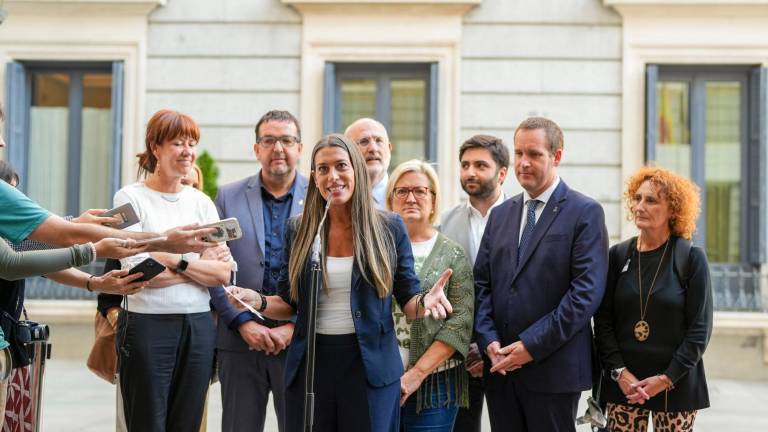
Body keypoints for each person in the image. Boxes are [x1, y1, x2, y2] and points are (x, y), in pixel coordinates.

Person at [227, 133, 453, 432]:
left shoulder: (388, 227)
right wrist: (257, 301)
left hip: (369, 368)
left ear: (356, 170)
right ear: (314, 177)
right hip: (312, 366)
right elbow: (290, 303)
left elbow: (408, 300)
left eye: (341, 166)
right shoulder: (300, 228)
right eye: (323, 169)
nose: (333, 176)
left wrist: (426, 303)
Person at [473, 117, 609, 431]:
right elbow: (482, 284)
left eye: (533, 154)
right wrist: (488, 339)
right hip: (501, 369)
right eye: (518, 154)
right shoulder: (500, 215)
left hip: (553, 371)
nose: (523, 162)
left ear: (556, 156)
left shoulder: (584, 212)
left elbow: (585, 294)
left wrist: (530, 347)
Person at [115, 109, 233, 432]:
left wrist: (173, 259)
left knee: (188, 423)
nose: (188, 152)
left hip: (197, 326)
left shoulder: (201, 203)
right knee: (147, 423)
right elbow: (138, 274)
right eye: (178, 143)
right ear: (155, 147)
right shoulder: (129, 198)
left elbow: (222, 275)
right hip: (146, 326)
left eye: (191, 143)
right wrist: (198, 266)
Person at [209, 110, 308, 432]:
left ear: (299, 148)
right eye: (269, 140)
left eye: (286, 140)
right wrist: (242, 322)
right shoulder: (227, 196)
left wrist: (294, 326)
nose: (278, 148)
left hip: (299, 342)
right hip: (239, 342)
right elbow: (212, 269)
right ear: (256, 149)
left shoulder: (320, 196)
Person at [594, 166, 712, 432]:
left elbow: (699, 331)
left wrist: (666, 378)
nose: (639, 206)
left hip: (676, 385)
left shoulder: (691, 259)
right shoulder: (618, 255)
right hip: (625, 385)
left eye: (651, 200)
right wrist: (619, 373)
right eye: (637, 198)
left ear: (673, 210)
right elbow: (602, 322)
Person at [385, 160, 474, 431]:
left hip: (434, 387)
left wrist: (415, 375)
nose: (411, 198)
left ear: (434, 201)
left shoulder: (454, 254)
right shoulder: (375, 249)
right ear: (390, 200)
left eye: (421, 191)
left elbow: (459, 325)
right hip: (377, 381)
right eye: (402, 191)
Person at [440, 134, 509, 432]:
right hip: (457, 354)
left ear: (502, 173)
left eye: (481, 165)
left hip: (507, 352)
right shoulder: (445, 221)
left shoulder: (522, 219)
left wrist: (489, 345)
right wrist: (465, 345)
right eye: (465, 165)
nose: (470, 172)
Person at [345, 118, 392, 208]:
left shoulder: (407, 199)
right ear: (347, 152)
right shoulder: (335, 201)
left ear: (389, 149)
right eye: (364, 141)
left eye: (379, 141)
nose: (373, 148)